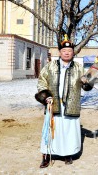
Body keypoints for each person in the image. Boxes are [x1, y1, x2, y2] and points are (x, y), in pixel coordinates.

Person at [35, 34, 84, 168]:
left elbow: (85, 84)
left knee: (68, 130)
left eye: (69, 51)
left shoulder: (78, 67)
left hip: (71, 104)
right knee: (50, 129)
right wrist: (46, 96)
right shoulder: (50, 66)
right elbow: (41, 82)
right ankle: (46, 155)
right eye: (64, 51)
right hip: (53, 104)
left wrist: (87, 83)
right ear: (60, 52)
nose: (67, 53)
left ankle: (68, 154)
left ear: (73, 53)